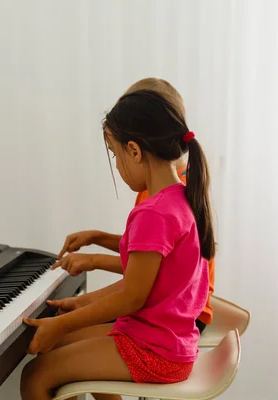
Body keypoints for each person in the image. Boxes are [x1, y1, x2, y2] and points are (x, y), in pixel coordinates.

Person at [19, 82, 215, 400]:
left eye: (115, 154)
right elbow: (146, 285)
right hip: (164, 341)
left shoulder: (154, 212)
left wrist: (62, 324)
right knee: (62, 349)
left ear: (134, 151)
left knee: (35, 377)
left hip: (154, 351)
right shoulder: (181, 198)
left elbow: (131, 298)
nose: (117, 165)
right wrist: (76, 311)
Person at [50, 78, 215, 332]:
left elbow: (147, 277)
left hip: (178, 315)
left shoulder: (166, 200)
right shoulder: (173, 189)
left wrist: (93, 262)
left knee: (64, 335)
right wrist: (97, 238)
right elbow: (145, 256)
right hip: (171, 308)